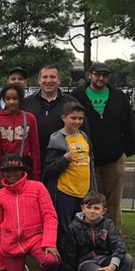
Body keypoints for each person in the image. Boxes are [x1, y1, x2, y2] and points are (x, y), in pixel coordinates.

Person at [70, 62, 135, 229]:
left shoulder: (118, 96)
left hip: (114, 157)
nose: (101, 78)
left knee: (113, 200)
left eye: (105, 75)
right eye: (97, 74)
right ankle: (90, 235)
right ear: (89, 75)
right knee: (90, 199)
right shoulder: (77, 95)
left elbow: (129, 123)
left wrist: (128, 148)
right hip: (86, 157)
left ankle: (114, 234)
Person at [0, 154, 59, 271]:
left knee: (51, 260)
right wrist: (0, 263)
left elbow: (50, 216)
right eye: (7, 170)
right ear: (2, 172)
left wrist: (49, 242)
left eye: (16, 169)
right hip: (10, 243)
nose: (12, 174)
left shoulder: (38, 187)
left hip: (35, 238)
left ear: (22, 170)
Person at [63, 192, 134, 271]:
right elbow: (69, 254)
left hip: (105, 258)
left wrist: (112, 265)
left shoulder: (108, 224)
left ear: (103, 210)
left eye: (96, 208)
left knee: (127, 259)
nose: (92, 211)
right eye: (88, 207)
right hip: (85, 262)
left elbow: (119, 246)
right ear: (82, 208)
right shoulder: (73, 227)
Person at [43, 101, 96, 254]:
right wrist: (64, 160)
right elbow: (49, 169)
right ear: (64, 118)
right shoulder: (57, 139)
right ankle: (63, 260)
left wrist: (93, 187)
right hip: (65, 192)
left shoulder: (84, 137)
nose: (77, 121)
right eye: (73, 118)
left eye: (80, 118)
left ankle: (78, 257)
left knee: (81, 227)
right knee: (64, 227)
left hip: (83, 191)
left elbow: (90, 163)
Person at [23, 64, 87, 172]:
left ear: (59, 80)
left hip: (63, 162)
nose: (48, 80)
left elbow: (83, 131)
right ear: (39, 80)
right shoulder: (26, 103)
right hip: (32, 162)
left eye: (52, 77)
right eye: (45, 77)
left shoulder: (71, 103)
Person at [0, 84, 41, 189]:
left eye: (15, 98)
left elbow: (35, 147)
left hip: (24, 168)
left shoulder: (29, 118)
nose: (11, 102)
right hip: (5, 169)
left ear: (20, 99)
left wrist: (36, 173)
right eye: (8, 99)